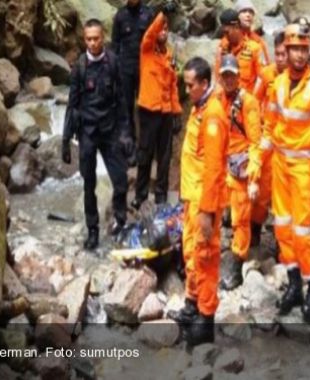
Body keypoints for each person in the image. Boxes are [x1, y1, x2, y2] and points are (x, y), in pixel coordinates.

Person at [247, 23, 310, 322]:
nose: (299, 55)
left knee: (303, 233)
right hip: (279, 164)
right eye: (294, 50)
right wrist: (255, 163)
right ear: (286, 52)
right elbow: (268, 128)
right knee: (283, 230)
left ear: (308, 50)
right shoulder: (276, 86)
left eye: (303, 49)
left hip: (303, 167)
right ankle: (293, 287)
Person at [171, 56, 229, 345]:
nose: (187, 89)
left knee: (205, 257)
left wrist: (207, 211)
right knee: (191, 253)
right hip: (192, 198)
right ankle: (192, 304)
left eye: (190, 85)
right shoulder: (199, 109)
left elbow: (214, 168)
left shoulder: (213, 114)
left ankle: (205, 320)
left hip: (204, 202)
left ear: (204, 83)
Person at [62, 19, 132, 250]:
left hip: (110, 130)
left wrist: (126, 132)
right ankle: (93, 230)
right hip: (88, 133)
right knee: (89, 184)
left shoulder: (113, 62)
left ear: (103, 38)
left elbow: (122, 100)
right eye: (89, 39)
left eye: (96, 38)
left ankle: (121, 222)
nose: (93, 43)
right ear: (85, 40)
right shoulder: (79, 68)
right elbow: (72, 104)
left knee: (120, 181)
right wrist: (65, 139)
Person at [214, 54, 262, 290]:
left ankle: (236, 268)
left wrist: (253, 178)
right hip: (221, 164)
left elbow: (255, 143)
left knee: (240, 220)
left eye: (232, 75)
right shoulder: (218, 99)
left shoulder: (249, 102)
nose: (229, 79)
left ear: (238, 76)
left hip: (240, 167)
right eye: (225, 75)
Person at [132, 8, 183, 209]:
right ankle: (140, 194)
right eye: (161, 29)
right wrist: (162, 15)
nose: (163, 32)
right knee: (145, 154)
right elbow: (150, 33)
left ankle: (161, 195)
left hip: (165, 112)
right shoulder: (146, 49)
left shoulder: (168, 55)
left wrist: (177, 112)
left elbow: (172, 87)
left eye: (166, 29)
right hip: (148, 111)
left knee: (164, 156)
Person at [250, 30, 287, 247]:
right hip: (268, 138)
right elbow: (254, 104)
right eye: (278, 54)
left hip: (289, 142)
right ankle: (254, 230)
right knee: (262, 189)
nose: (281, 58)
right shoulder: (266, 74)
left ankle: (281, 240)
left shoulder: (298, 77)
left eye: (284, 54)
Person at [111, 0, 155, 148]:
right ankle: (129, 146)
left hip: (144, 68)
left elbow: (156, 40)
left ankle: (145, 145)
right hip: (125, 68)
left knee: (144, 106)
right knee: (126, 106)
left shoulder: (148, 14)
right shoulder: (120, 16)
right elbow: (115, 44)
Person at [215, 8, 264, 94]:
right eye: (224, 33)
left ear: (237, 27)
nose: (225, 36)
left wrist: (252, 100)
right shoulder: (222, 50)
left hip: (248, 100)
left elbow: (262, 78)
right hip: (227, 101)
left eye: (227, 32)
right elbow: (218, 79)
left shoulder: (254, 48)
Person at [235, 0, 271, 65]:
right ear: (237, 16)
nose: (248, 15)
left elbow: (266, 65)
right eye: (244, 11)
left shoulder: (258, 41)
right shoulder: (231, 38)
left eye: (250, 12)